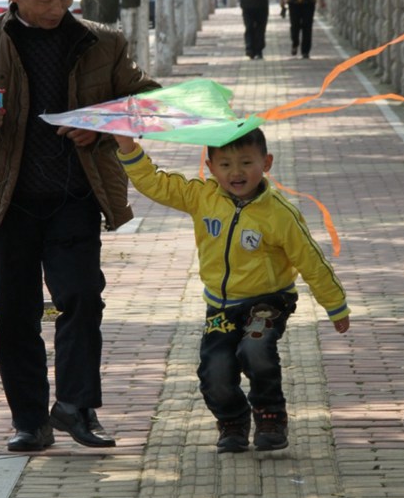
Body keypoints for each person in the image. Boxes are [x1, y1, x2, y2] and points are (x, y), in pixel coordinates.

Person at [0, 0, 158, 454]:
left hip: (75, 197)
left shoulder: (101, 43)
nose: (57, 8)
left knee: (82, 298)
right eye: (45, 0)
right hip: (7, 203)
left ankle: (78, 408)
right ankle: (29, 420)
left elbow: (146, 100)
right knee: (16, 313)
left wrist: (97, 128)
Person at [113, 128, 350, 453]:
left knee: (255, 348)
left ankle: (270, 416)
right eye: (225, 165)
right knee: (216, 369)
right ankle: (232, 421)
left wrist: (335, 306)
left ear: (266, 163)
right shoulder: (202, 197)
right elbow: (155, 183)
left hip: (269, 301)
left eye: (246, 163)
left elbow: (310, 260)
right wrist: (127, 146)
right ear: (210, 167)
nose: (236, 172)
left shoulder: (279, 214)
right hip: (221, 306)